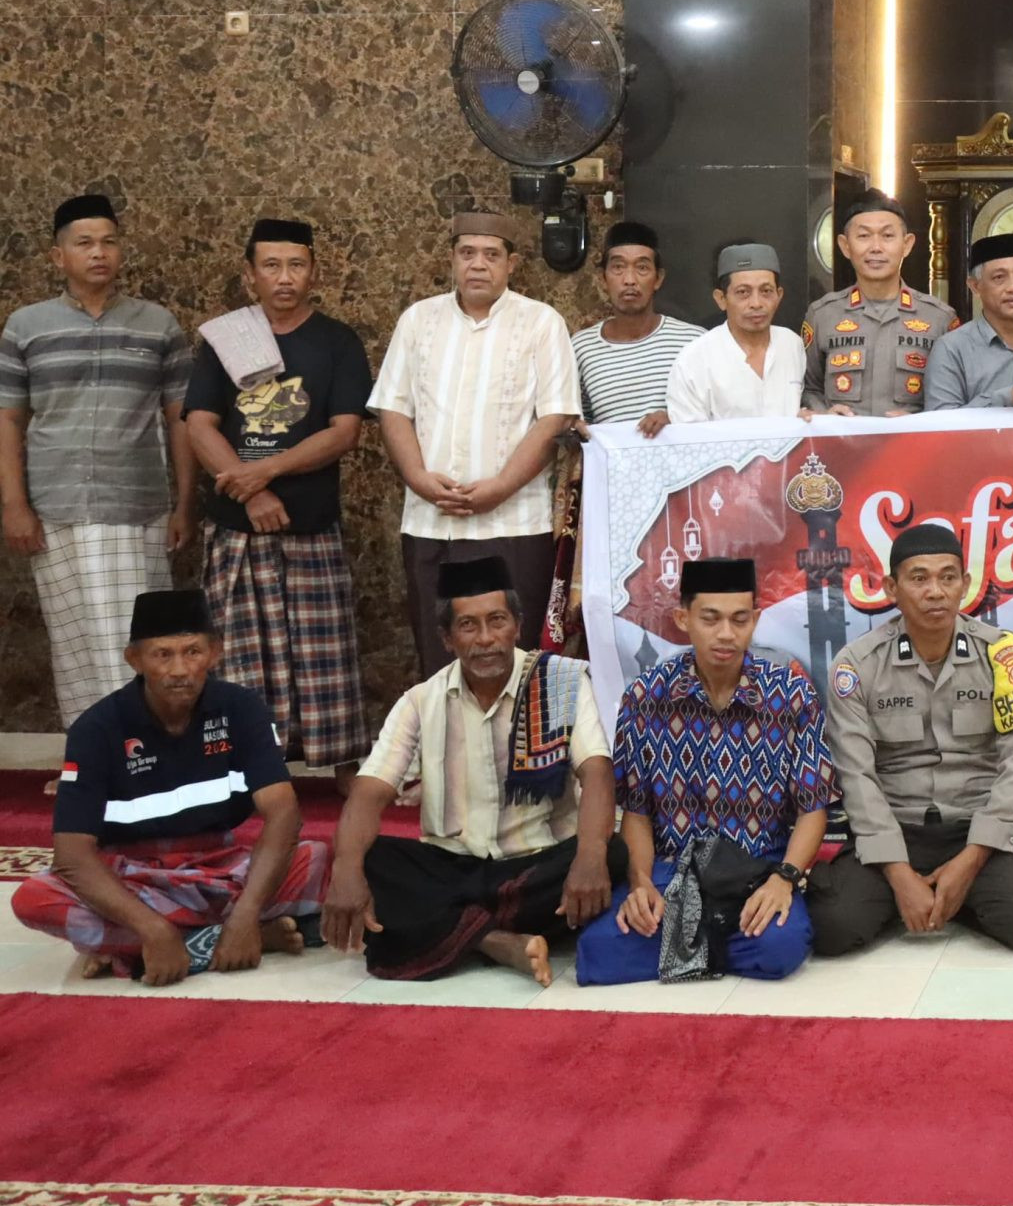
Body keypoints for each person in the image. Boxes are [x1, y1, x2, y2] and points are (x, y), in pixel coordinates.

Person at [321, 558, 620, 985]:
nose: (485, 639)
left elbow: (597, 772)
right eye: (468, 626)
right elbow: (369, 792)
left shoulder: (562, 682)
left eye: (497, 621)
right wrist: (346, 871)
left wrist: (590, 857)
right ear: (447, 638)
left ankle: (454, 928)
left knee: (614, 852)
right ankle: (495, 941)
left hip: (536, 869)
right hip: (452, 870)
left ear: (517, 625)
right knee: (370, 860)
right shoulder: (420, 701)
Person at [10, 589, 327, 984]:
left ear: (215, 653)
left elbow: (283, 814)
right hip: (132, 877)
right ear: (135, 659)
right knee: (34, 899)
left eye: (192, 652)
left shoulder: (241, 708)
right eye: (162, 655)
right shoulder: (95, 729)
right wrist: (152, 927)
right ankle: (210, 940)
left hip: (223, 868)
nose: (179, 669)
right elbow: (71, 856)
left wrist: (246, 913)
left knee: (321, 860)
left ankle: (135, 948)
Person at [807, 524, 1013, 956]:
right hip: (895, 830)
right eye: (919, 578)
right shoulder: (858, 664)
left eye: (948, 577)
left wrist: (971, 862)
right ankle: (925, 896)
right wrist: (898, 874)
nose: (936, 592)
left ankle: (953, 894)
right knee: (833, 927)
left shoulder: (1003, 655)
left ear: (965, 584)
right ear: (892, 588)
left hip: (974, 832)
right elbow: (856, 776)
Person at [575, 558, 831, 984]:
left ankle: (687, 943)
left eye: (739, 620)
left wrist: (783, 880)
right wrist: (641, 885)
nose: (726, 634)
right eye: (710, 619)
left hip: (757, 867)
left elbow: (813, 808)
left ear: (755, 621)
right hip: (672, 869)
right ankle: (713, 941)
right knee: (596, 951)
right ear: (683, 619)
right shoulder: (646, 697)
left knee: (781, 949)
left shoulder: (790, 694)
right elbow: (636, 812)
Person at [183, 219, 372, 787]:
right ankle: (245, 770)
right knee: (240, 658)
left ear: (313, 272)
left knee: (325, 656)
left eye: (296, 265)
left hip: (309, 521)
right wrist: (253, 493)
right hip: (236, 525)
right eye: (271, 266)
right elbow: (199, 424)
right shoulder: (224, 339)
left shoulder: (336, 341)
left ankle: (343, 765)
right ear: (250, 275)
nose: (284, 278)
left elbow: (344, 432)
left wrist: (264, 471)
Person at [0, 195, 197, 739]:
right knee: (73, 644)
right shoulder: (26, 327)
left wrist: (184, 503)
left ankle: (144, 755)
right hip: (55, 507)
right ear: (57, 256)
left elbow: (181, 418)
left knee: (136, 642)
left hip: (136, 508)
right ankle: (88, 757)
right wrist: (14, 504)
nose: (98, 253)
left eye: (109, 241)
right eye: (84, 243)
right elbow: (8, 418)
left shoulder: (156, 325)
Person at [370, 212, 579, 681]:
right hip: (431, 523)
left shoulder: (542, 323)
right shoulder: (418, 321)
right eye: (467, 253)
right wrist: (418, 479)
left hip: (514, 524)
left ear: (512, 264)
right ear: (452, 259)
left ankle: (515, 734)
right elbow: (393, 408)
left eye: (491, 255)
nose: (478, 265)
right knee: (440, 660)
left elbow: (555, 418)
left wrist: (500, 487)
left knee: (513, 661)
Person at [801, 187, 956, 418]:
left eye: (887, 236)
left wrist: (920, 421)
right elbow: (809, 388)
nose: (876, 247)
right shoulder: (822, 315)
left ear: (907, 244)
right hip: (844, 440)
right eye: (864, 236)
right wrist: (826, 414)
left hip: (912, 440)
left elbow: (953, 398)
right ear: (845, 246)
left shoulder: (939, 318)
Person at [570, 220, 702, 430]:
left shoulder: (694, 342)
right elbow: (579, 422)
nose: (629, 280)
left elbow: (717, 415)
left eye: (642, 268)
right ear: (603, 279)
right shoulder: (581, 348)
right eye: (618, 267)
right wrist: (575, 427)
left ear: (658, 279)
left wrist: (676, 419)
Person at [662, 243, 805, 424]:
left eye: (766, 291)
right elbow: (689, 437)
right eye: (743, 292)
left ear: (779, 295)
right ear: (721, 299)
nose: (756, 303)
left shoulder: (792, 344)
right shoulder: (694, 359)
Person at [925, 233, 1013, 413]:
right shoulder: (951, 349)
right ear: (975, 286)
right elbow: (940, 422)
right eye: (999, 277)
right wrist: (1008, 397)